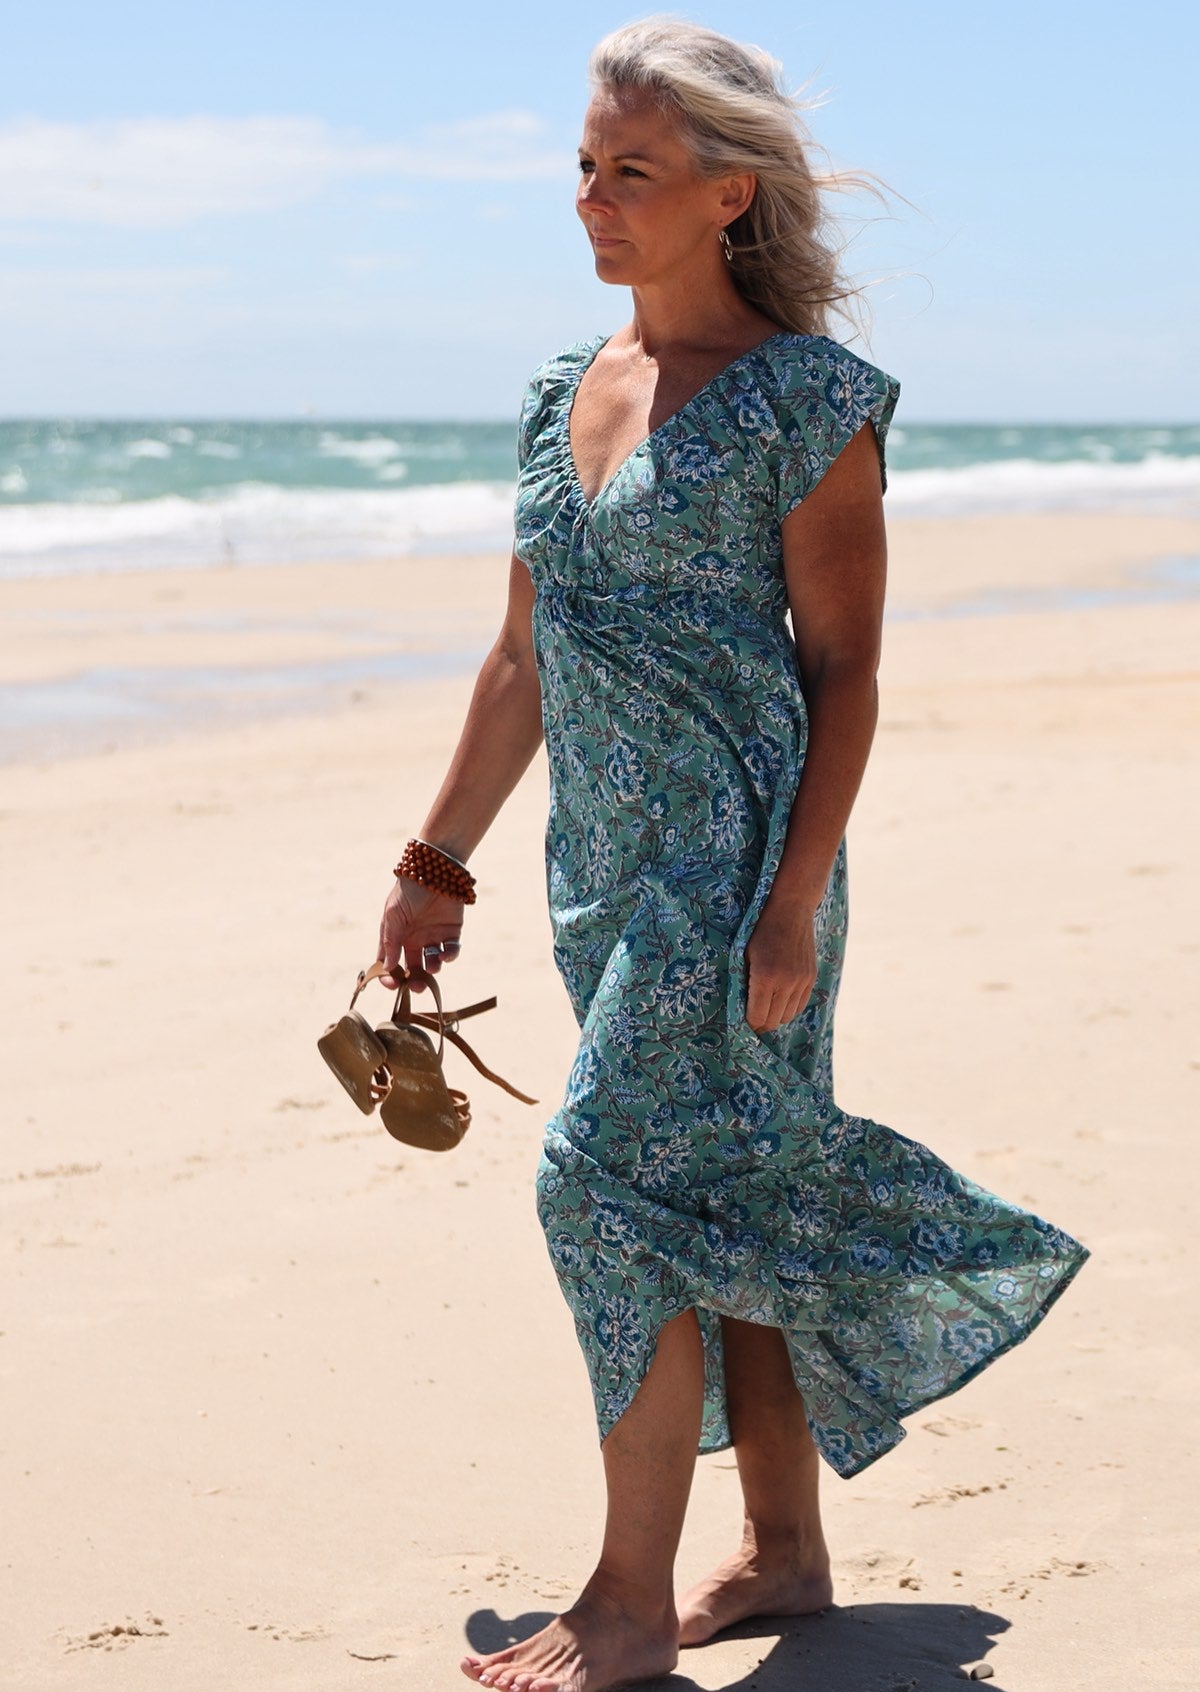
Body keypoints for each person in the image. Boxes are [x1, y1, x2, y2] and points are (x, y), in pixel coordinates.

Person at [376, 18, 1088, 1692]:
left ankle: (627, 1598)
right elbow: (520, 656)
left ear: (727, 195)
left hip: (743, 866)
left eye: (633, 171)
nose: (594, 200)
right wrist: (438, 858)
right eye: (583, 167)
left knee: (597, 1181)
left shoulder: (810, 402)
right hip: (601, 872)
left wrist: (789, 900)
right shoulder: (567, 392)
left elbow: (848, 670)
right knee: (720, 1188)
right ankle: (784, 1552)